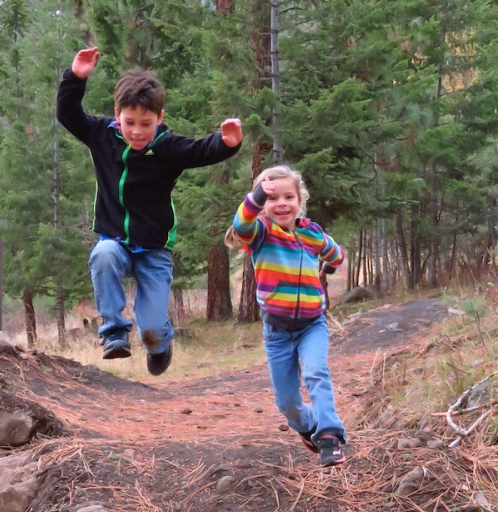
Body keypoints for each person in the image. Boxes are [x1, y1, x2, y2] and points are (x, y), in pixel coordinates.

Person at [57, 47, 243, 376]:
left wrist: (228, 142)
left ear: (159, 117)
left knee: (152, 327)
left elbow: (201, 150)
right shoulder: (102, 135)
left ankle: (159, 344)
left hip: (155, 249)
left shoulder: (167, 148)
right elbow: (68, 114)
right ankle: (114, 332)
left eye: (146, 123)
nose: (138, 131)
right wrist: (76, 77)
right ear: (117, 114)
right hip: (115, 238)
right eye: (130, 123)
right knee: (103, 254)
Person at [225, 165, 347, 467]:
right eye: (271, 198)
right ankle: (308, 427)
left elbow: (337, 255)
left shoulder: (311, 232)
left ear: (299, 200)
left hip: (312, 324)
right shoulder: (261, 233)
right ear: (263, 205)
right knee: (288, 403)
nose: (281, 204)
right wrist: (254, 197)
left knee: (316, 372)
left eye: (288, 197)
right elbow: (241, 224)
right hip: (277, 332)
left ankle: (331, 436)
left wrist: (329, 262)